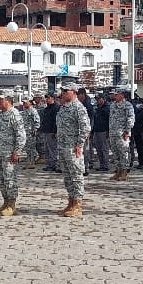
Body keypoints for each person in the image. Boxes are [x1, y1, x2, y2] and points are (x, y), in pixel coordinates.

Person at [56, 82, 91, 217]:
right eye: (63, 91)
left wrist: (79, 144)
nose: (63, 93)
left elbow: (85, 128)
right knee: (67, 177)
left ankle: (77, 204)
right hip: (63, 146)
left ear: (74, 92)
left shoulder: (78, 107)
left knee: (76, 176)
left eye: (66, 91)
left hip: (73, 148)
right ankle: (70, 202)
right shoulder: (64, 107)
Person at [0, 93, 26, 216]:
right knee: (1, 180)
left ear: (7, 100)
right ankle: (5, 202)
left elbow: (21, 135)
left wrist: (17, 152)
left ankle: (12, 204)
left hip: (9, 154)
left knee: (10, 179)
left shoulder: (14, 114)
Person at [108, 86, 135, 180]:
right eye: (114, 94)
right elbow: (111, 119)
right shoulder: (112, 105)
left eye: (117, 94)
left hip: (122, 133)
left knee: (124, 152)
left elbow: (131, 118)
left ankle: (124, 172)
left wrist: (127, 131)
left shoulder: (127, 105)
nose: (115, 96)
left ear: (122, 95)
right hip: (113, 133)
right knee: (115, 153)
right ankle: (118, 171)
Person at [39, 93, 60, 171]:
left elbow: (56, 121)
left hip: (52, 131)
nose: (46, 99)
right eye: (46, 98)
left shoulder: (56, 107)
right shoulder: (47, 108)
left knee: (52, 149)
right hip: (46, 130)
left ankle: (54, 165)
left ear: (53, 98)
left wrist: (55, 131)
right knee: (47, 149)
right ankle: (49, 164)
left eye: (48, 98)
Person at [91, 93, 111, 171]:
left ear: (103, 99)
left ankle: (105, 165)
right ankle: (102, 164)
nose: (98, 100)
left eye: (99, 99)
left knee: (104, 148)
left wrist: (108, 131)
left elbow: (109, 120)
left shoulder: (107, 108)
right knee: (98, 149)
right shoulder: (97, 107)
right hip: (97, 130)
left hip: (103, 130)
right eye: (97, 99)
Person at [20, 97, 41, 170]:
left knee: (31, 148)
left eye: (25, 102)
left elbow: (37, 121)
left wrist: (35, 129)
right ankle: (29, 161)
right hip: (25, 131)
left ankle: (31, 162)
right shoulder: (25, 110)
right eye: (23, 102)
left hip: (30, 132)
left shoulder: (33, 111)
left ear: (30, 102)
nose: (24, 103)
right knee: (27, 148)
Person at [131, 98, 143, 169]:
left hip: (142, 132)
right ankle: (140, 162)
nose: (137, 104)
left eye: (139, 103)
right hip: (137, 131)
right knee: (139, 148)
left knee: (142, 148)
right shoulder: (138, 110)